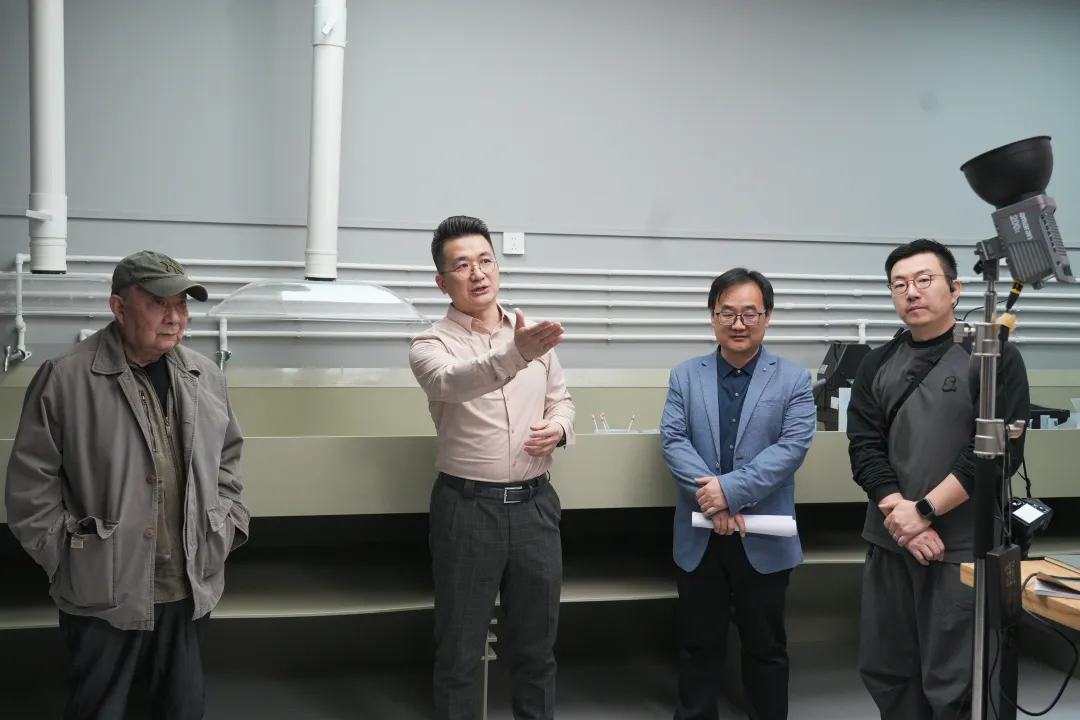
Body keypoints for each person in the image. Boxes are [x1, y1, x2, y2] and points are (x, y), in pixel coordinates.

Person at [5, 250, 251, 720]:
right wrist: (73, 559)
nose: (175, 317)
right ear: (119, 307)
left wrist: (224, 526)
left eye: (182, 304)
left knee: (181, 708)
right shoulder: (65, 378)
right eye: (159, 303)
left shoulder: (206, 376)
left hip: (188, 586)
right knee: (102, 709)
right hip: (104, 593)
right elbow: (29, 491)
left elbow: (228, 462)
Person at [847, 238, 1028, 720]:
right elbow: (864, 448)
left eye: (924, 280)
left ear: (955, 288)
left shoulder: (992, 358)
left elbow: (995, 454)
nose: (912, 292)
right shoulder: (877, 363)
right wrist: (903, 520)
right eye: (899, 284)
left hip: (961, 553)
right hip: (892, 543)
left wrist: (925, 511)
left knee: (957, 681)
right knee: (888, 671)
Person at [409, 215, 576, 720]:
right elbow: (454, 382)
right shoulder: (430, 345)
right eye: (462, 265)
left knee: (537, 650)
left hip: (535, 508)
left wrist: (560, 427)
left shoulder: (532, 335)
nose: (478, 273)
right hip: (467, 510)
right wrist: (516, 354)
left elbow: (561, 399)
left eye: (485, 261)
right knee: (460, 653)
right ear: (442, 282)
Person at [660, 268, 816, 720]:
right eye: (727, 313)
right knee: (697, 644)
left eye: (750, 313)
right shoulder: (685, 376)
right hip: (699, 535)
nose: (738, 323)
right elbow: (673, 440)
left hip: (762, 534)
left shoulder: (793, 379)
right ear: (713, 316)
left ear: (767, 316)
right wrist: (713, 499)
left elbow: (791, 448)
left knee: (766, 647)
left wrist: (728, 492)